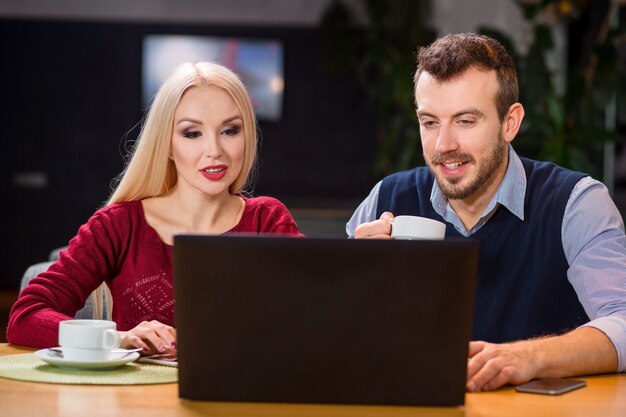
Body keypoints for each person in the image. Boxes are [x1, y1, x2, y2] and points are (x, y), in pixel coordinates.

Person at [347, 33, 626, 392]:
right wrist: (359, 281)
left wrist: (528, 358)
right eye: (430, 122)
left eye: (465, 121)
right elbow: (331, 334)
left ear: (510, 122)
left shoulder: (575, 203)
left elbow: (622, 322)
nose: (444, 145)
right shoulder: (386, 199)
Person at [7, 62, 302, 355]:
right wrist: (115, 338)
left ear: (247, 135)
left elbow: (317, 311)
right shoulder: (119, 225)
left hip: (238, 399)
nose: (214, 150)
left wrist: (347, 270)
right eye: (192, 133)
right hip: (136, 401)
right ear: (168, 144)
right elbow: (25, 318)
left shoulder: (268, 220)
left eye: (230, 130)